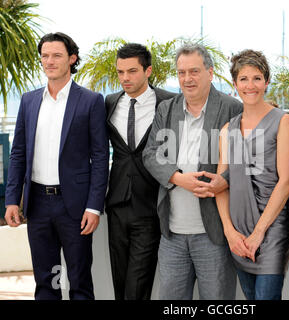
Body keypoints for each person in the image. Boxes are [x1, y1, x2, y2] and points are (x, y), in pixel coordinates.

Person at [4, 32, 109, 300]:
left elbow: (100, 157)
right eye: (45, 56)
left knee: (79, 281)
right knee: (45, 281)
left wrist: (94, 206)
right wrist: (12, 200)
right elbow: (18, 153)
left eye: (56, 55)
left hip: (74, 205)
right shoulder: (29, 100)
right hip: (37, 204)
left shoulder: (90, 100)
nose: (49, 61)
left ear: (72, 59)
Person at [143, 43, 242, 300]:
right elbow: (150, 154)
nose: (187, 79)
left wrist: (224, 181)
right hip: (172, 234)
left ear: (210, 73)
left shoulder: (232, 108)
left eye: (194, 71)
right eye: (182, 72)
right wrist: (178, 178)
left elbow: (245, 162)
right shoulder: (167, 109)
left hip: (215, 234)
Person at [215, 50, 289, 300]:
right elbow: (221, 185)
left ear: (267, 81)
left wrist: (259, 232)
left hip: (272, 227)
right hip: (239, 230)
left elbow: (287, 180)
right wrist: (230, 231)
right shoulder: (227, 129)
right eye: (243, 79)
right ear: (235, 83)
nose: (250, 85)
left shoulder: (282, 121)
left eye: (257, 78)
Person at [105, 43, 175, 300]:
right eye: (120, 71)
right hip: (116, 204)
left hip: (150, 205)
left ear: (148, 71)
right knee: (120, 281)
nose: (125, 78)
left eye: (132, 71)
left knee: (138, 285)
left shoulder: (168, 102)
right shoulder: (110, 102)